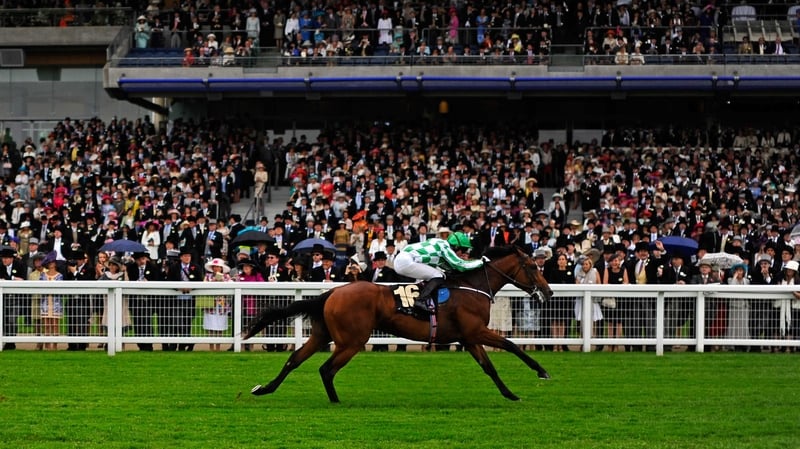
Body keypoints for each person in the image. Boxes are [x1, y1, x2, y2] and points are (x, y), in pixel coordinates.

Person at [393, 231, 483, 312]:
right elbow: (460, 265)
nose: (463, 253)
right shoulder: (444, 246)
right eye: (463, 250)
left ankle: (425, 296)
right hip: (405, 261)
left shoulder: (439, 245)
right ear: (456, 246)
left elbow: (449, 269)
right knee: (438, 275)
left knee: (438, 275)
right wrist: (481, 261)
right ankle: (421, 300)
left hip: (402, 259)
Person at [165, 246, 203, 351]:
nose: (187, 258)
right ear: (181, 257)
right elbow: (169, 281)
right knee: (176, 321)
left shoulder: (196, 267)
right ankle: (174, 344)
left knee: (187, 321)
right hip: (177, 298)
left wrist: (191, 287)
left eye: (189, 256)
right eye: (185, 256)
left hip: (190, 298)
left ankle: (184, 344)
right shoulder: (175, 267)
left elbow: (200, 280)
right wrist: (179, 287)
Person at [126, 250, 161, 351]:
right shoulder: (131, 268)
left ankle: (149, 344)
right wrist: (138, 282)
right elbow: (130, 280)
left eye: (143, 259)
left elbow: (157, 279)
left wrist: (148, 282)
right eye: (139, 259)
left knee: (147, 321)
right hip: (136, 299)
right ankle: (140, 344)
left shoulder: (153, 267)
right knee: (137, 321)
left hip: (148, 299)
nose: (142, 261)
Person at [64, 247, 95, 350]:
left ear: (82, 260)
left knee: (82, 322)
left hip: (83, 299)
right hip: (72, 299)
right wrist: (70, 272)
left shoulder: (89, 269)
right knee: (71, 322)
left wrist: (75, 273)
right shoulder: (70, 268)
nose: (76, 262)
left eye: (77, 259)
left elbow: (87, 281)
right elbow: (66, 281)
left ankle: (82, 345)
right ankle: (72, 345)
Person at [545, 252, 575, 351]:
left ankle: (561, 344)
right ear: (557, 262)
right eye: (560, 259)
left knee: (562, 322)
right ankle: (554, 344)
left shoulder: (570, 272)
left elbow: (572, 284)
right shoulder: (553, 271)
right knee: (554, 322)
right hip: (555, 300)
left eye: (563, 259)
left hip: (565, 301)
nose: (562, 261)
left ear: (566, 261)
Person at [203, 258, 232, 351]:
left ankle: (218, 347)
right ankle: (211, 347)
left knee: (220, 326)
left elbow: (231, 287)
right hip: (210, 304)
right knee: (210, 325)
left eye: (218, 267)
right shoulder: (207, 276)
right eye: (214, 267)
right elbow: (203, 286)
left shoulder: (227, 277)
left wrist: (222, 281)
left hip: (222, 305)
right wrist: (213, 282)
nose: (216, 268)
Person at [0, 246, 27, 350]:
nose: (4, 260)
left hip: (15, 297)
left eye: (6, 258)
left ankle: (11, 341)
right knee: (3, 319)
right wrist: (13, 279)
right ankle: (4, 340)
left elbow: (23, 279)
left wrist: (10, 278)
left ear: (11, 258)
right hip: (2, 297)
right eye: (3, 258)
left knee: (12, 319)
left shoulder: (19, 265)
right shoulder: (0, 266)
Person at [574, 255, 603, 349]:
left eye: (586, 264)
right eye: (583, 264)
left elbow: (599, 283)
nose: (585, 266)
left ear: (590, 264)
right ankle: (581, 340)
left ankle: (591, 340)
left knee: (593, 321)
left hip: (593, 301)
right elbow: (577, 285)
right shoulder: (579, 273)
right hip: (581, 301)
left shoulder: (595, 272)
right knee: (582, 321)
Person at [602, 253, 628, 351]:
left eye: (616, 260)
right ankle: (610, 344)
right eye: (613, 260)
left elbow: (626, 282)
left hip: (620, 299)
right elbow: (605, 283)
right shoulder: (607, 270)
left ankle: (616, 344)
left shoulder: (623, 270)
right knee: (610, 322)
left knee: (618, 322)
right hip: (610, 299)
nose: (614, 262)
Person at [39, 252, 63, 350]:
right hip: (45, 302)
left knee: (55, 324)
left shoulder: (59, 276)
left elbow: (59, 288)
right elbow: (40, 287)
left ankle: (55, 345)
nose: (51, 264)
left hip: (56, 303)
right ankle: (47, 344)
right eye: (49, 262)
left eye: (53, 262)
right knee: (46, 324)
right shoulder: (43, 275)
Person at [725, 262, 750, 352]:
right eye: (737, 270)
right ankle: (732, 345)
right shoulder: (730, 280)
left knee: (743, 325)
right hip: (734, 306)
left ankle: (744, 344)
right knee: (733, 325)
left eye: (741, 270)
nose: (739, 272)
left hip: (744, 306)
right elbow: (731, 288)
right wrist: (735, 277)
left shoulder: (746, 281)